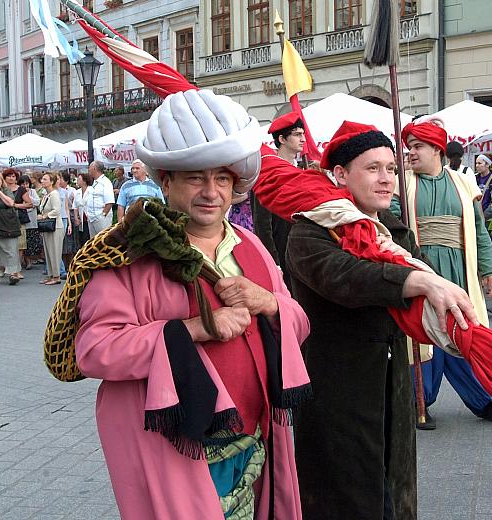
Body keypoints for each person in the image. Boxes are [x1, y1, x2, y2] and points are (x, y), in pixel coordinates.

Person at [75, 89, 310, 519]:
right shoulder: (128, 254)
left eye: (222, 179)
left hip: (256, 439)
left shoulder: (253, 247)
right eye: (195, 178)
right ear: (166, 181)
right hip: (177, 448)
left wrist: (270, 302)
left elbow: (298, 323)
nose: (211, 192)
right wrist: (198, 328)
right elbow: (95, 351)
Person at [285, 121, 478, 520]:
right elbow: (347, 279)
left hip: (392, 388)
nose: (387, 178)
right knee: (346, 500)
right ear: (340, 174)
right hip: (337, 393)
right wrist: (417, 278)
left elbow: (420, 279)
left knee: (392, 492)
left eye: (391, 168)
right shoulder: (310, 230)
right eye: (373, 168)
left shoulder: (391, 230)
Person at [394, 119, 492, 428]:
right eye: (409, 147)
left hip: (458, 270)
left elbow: (479, 229)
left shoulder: (463, 182)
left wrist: (488, 268)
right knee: (427, 333)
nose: (411, 153)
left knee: (463, 332)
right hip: (423, 270)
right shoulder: (401, 184)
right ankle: (420, 399)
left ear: (437, 150)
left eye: (418, 147)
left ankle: (483, 399)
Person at [252, 112, 307, 287]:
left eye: (303, 134)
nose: (303, 139)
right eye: (297, 134)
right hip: (281, 252)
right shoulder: (267, 172)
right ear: (282, 139)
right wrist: (272, 261)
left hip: (302, 251)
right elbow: (262, 224)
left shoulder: (302, 171)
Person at [37, 173, 64, 285]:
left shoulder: (54, 194)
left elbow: (56, 210)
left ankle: (56, 276)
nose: (42, 181)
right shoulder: (46, 195)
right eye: (42, 179)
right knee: (48, 251)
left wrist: (44, 216)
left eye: (45, 179)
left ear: (51, 182)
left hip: (55, 226)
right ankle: (51, 275)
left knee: (55, 251)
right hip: (48, 227)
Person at [0, 170, 21, 285]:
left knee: (10, 248)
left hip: (7, 223)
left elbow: (10, 203)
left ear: (2, 181)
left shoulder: (6, 191)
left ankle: (13, 273)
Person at [2, 168, 26, 279]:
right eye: (9, 176)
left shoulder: (20, 189)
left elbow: (30, 204)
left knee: (18, 246)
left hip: (17, 220)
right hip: (3, 221)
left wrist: (15, 205)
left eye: (13, 176)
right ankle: (4, 268)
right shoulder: (1, 189)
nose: (11, 178)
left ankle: (16, 269)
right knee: (5, 246)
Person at [16, 174, 42, 270]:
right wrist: (27, 205)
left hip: (32, 221)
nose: (25, 186)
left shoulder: (33, 191)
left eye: (27, 184)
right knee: (23, 243)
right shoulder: (18, 192)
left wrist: (27, 203)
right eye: (23, 184)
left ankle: (29, 261)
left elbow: (37, 202)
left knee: (31, 242)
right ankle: (24, 261)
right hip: (22, 220)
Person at [85, 160, 115, 236]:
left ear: (94, 168)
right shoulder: (95, 182)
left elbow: (109, 202)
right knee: (93, 241)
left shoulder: (106, 182)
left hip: (100, 219)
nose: (88, 169)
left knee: (103, 240)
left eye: (90, 167)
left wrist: (102, 216)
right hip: (92, 218)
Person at [73, 172, 92, 245]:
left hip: (89, 217)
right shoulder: (77, 192)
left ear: (84, 181)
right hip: (81, 219)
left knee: (89, 237)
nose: (77, 180)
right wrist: (76, 218)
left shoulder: (91, 190)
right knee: (82, 239)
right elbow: (75, 206)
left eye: (79, 179)